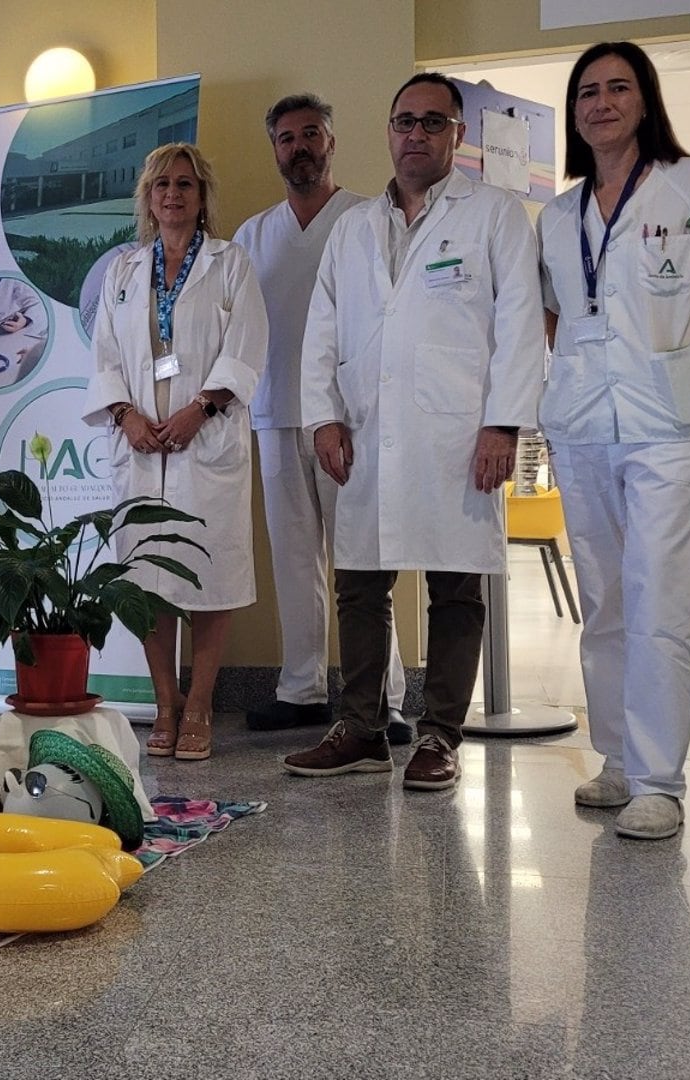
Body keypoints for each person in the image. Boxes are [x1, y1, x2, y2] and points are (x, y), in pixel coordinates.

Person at [283, 73, 544, 790]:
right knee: (360, 583)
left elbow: (522, 330)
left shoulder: (494, 216)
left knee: (457, 586)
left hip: (459, 436)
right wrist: (322, 415)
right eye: (405, 121)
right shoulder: (355, 227)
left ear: (458, 135)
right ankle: (362, 730)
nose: (416, 134)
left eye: (434, 122)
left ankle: (440, 736)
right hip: (366, 431)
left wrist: (502, 424)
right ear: (389, 130)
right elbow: (324, 329)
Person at [537, 42, 690, 840]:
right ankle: (619, 762)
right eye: (587, 92)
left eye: (617, 88)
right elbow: (554, 316)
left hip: (672, 431)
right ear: (574, 112)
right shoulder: (559, 215)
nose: (601, 103)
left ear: (645, 100)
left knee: (661, 599)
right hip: (582, 426)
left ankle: (661, 781)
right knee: (602, 599)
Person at [233, 93, 410, 742]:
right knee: (293, 558)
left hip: (350, 417)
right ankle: (300, 689)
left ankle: (386, 697)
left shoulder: (369, 219)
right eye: (287, 138)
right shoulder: (252, 236)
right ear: (275, 149)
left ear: (332, 143)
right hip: (275, 412)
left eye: (311, 134)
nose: (300, 147)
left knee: (362, 559)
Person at [84, 142, 269, 762]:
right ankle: (165, 703)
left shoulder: (231, 263)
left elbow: (246, 346)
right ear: (148, 197)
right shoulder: (123, 272)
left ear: (201, 195)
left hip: (204, 438)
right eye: (162, 184)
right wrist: (125, 414)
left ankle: (200, 706)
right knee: (147, 579)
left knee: (210, 578)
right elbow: (105, 354)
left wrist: (200, 410)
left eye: (185, 184)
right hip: (140, 445)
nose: (173, 194)